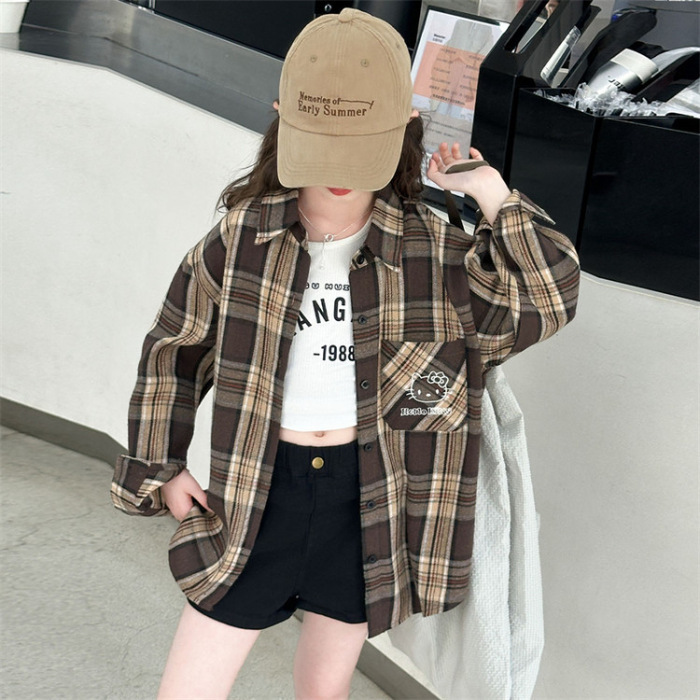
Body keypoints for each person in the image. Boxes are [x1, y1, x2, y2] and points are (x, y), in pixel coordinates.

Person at [110, 8, 580, 699]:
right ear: (283, 122)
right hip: (258, 491)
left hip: (372, 501)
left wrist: (490, 192)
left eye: (360, 146)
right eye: (323, 143)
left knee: (324, 690)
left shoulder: (433, 253)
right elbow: (173, 352)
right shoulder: (240, 242)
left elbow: (549, 297)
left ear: (403, 131)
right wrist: (162, 465)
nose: (338, 170)